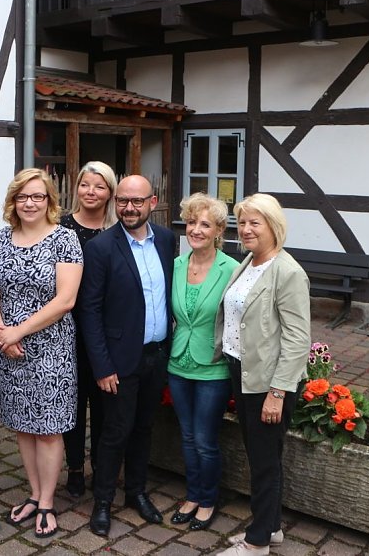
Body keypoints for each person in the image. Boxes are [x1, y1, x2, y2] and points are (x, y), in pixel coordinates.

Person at [0, 168, 83, 539]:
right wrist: (0, 334)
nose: (30, 202)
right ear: (13, 201)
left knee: (48, 429)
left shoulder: (65, 240)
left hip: (50, 348)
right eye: (23, 196)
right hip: (10, 350)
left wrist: (16, 332)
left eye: (37, 196)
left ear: (49, 201)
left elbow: (66, 300)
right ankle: (34, 492)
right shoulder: (0, 240)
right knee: (22, 425)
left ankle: (47, 502)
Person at [214, 193, 311, 556]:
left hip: (269, 382)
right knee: (260, 456)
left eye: (255, 222)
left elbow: (298, 339)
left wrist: (278, 391)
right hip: (244, 371)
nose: (246, 229)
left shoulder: (288, 272)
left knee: (265, 461)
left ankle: (256, 544)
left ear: (274, 226)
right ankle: (271, 528)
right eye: (242, 222)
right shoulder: (250, 263)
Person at [78, 174, 174, 537]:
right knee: (114, 432)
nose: (129, 208)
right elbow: (89, 310)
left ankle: (136, 492)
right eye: (122, 201)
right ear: (115, 202)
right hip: (118, 361)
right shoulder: (101, 247)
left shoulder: (166, 240)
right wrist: (102, 365)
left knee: (144, 428)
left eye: (137, 201)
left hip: (157, 355)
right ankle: (102, 502)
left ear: (153, 202)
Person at [168, 193, 239, 532]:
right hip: (178, 363)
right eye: (191, 222)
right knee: (186, 435)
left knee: (205, 438)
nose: (195, 230)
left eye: (204, 224)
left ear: (219, 230)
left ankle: (208, 499)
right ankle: (193, 494)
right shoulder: (178, 264)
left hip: (212, 366)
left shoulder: (232, 269)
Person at [60, 161, 118, 497]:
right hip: (66, 331)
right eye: (85, 185)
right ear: (77, 188)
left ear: (109, 192)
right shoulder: (61, 229)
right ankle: (74, 468)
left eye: (99, 186)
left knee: (103, 404)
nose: (91, 192)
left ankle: (100, 465)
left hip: (104, 333)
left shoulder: (116, 232)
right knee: (72, 403)